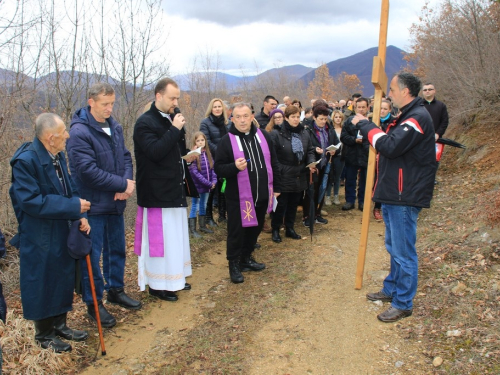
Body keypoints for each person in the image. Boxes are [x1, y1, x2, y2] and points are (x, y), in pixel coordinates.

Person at [359, 72, 437, 322]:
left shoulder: (417, 118)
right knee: (393, 246)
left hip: (405, 194)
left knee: (404, 252)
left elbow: (390, 146)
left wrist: (366, 125)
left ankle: (403, 302)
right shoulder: (407, 115)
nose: (389, 94)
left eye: (392, 90)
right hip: (395, 192)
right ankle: (391, 288)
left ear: (405, 91)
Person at [10, 113, 90, 352]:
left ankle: (60, 325)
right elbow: (31, 201)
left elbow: (69, 187)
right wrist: (72, 207)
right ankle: (44, 334)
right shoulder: (25, 161)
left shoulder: (57, 154)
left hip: (61, 228)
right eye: (64, 132)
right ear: (51, 137)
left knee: (62, 276)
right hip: (39, 234)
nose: (68, 135)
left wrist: (79, 215)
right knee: (43, 281)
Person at [67, 83, 141, 329]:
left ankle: (116, 290)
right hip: (93, 205)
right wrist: (120, 184)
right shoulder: (79, 132)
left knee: (117, 249)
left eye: (112, 103)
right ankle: (94, 302)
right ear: (91, 102)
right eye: (104, 104)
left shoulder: (114, 125)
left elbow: (126, 156)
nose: (110, 108)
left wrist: (127, 183)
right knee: (93, 256)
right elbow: (87, 172)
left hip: (115, 202)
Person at [133, 78, 198, 302]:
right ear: (158, 96)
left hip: (174, 189)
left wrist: (188, 153)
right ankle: (159, 285)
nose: (175, 102)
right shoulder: (145, 123)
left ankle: (175, 278)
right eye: (172, 97)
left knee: (175, 239)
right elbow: (155, 152)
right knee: (161, 242)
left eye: (177, 97)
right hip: (156, 193)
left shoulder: (171, 120)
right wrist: (174, 129)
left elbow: (175, 150)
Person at [214, 103, 281, 284]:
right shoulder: (226, 141)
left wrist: (277, 187)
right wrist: (234, 167)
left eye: (245, 116)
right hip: (238, 198)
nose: (242, 120)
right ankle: (234, 264)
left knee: (255, 229)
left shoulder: (264, 136)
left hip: (262, 193)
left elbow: (274, 162)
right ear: (232, 119)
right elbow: (218, 168)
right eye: (238, 117)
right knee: (237, 232)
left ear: (252, 116)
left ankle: (246, 258)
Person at [270, 105, 315, 243]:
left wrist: (311, 162)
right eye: (293, 117)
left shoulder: (304, 133)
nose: (296, 120)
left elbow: (310, 150)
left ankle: (290, 228)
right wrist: (279, 172)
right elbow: (273, 157)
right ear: (286, 118)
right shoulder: (277, 134)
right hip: (283, 174)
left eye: (297, 117)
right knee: (281, 205)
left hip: (300, 174)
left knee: (293, 204)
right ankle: (276, 229)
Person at [302, 105, 340, 226]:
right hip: (314, 166)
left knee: (322, 189)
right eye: (321, 119)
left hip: (326, 165)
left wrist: (335, 151)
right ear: (314, 117)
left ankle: (317, 214)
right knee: (311, 191)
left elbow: (337, 144)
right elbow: (305, 147)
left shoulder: (330, 129)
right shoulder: (308, 130)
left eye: (325, 119)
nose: (323, 121)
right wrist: (314, 149)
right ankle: (307, 216)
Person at [199, 98, 230, 225]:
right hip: (211, 159)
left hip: (226, 160)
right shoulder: (205, 123)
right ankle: (208, 217)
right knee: (212, 188)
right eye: (214, 107)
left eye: (219, 106)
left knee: (223, 187)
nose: (217, 109)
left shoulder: (228, 122)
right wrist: (221, 152)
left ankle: (223, 215)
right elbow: (206, 142)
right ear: (211, 109)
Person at [341, 98, 371, 211]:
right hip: (351, 154)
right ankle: (350, 200)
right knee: (350, 179)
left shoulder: (371, 121)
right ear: (355, 107)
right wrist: (354, 140)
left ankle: (362, 201)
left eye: (364, 107)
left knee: (364, 180)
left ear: (368, 107)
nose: (361, 109)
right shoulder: (349, 121)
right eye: (359, 107)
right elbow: (343, 137)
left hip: (366, 155)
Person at [188, 131, 217, 237]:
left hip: (208, 186)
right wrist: (208, 183)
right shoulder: (194, 155)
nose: (200, 142)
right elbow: (194, 172)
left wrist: (214, 181)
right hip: (198, 186)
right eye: (198, 140)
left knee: (203, 204)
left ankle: (202, 225)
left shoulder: (207, 153)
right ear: (195, 142)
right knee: (195, 205)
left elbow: (213, 169)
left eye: (202, 140)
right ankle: (192, 229)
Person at [373, 99, 396, 221]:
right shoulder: (373, 121)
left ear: (390, 110)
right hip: (373, 158)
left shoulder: (394, 123)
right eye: (380, 108)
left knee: (382, 182)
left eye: (385, 109)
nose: (382, 111)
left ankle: (379, 208)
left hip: (386, 158)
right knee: (372, 183)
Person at [324, 110, 345, 206]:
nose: (338, 119)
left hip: (341, 155)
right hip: (331, 156)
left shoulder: (344, 129)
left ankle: (336, 195)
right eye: (336, 117)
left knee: (337, 177)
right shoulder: (330, 129)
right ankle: (327, 196)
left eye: (339, 117)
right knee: (329, 176)